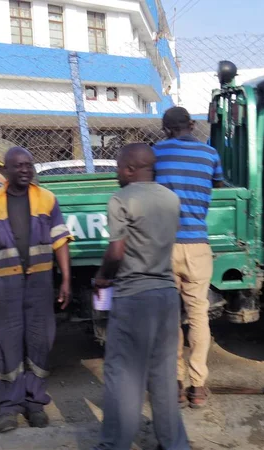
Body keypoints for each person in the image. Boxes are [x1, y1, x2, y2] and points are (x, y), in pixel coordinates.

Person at [0, 147, 73, 432]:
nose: (25, 170)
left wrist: (65, 279)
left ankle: (35, 403)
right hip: (4, 287)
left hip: (39, 285)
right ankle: (7, 409)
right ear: (6, 170)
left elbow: (60, 241)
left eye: (29, 165)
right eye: (19, 166)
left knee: (40, 344)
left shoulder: (47, 199)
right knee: (8, 347)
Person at [93, 143, 190, 450]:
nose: (116, 173)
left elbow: (117, 251)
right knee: (163, 375)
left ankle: (113, 445)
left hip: (134, 296)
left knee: (123, 375)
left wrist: (102, 277)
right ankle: (174, 444)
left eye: (119, 167)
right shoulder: (171, 199)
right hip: (166, 296)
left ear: (131, 169)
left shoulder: (122, 199)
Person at [153, 106, 224, 409]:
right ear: (192, 125)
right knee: (198, 316)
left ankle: (176, 384)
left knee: (169, 318)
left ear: (165, 128)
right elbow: (217, 185)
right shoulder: (210, 154)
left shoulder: (156, 153)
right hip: (197, 245)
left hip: (164, 244)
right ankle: (198, 387)